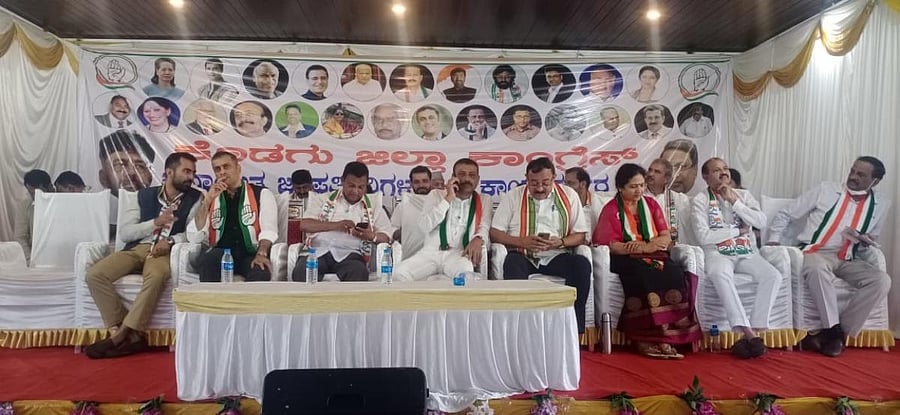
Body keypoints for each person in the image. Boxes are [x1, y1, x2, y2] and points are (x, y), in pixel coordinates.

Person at [767, 156, 891, 357]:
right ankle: (832, 329)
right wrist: (773, 239)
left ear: (875, 181)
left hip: (849, 256)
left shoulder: (881, 204)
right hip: (815, 251)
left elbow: (873, 235)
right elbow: (786, 214)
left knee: (882, 281)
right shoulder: (825, 189)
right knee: (817, 269)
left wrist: (864, 238)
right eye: (852, 171)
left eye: (861, 174)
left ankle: (838, 333)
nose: (853, 177)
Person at [83, 152, 202, 359]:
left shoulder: (195, 198)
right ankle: (128, 333)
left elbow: (193, 232)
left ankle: (119, 338)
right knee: (95, 274)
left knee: (156, 276)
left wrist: (171, 241)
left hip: (165, 252)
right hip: (137, 248)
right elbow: (126, 232)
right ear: (169, 172)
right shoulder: (142, 196)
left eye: (192, 172)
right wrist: (155, 222)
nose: (191, 177)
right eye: (186, 171)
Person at [593, 163, 702, 359]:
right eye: (633, 186)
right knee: (643, 274)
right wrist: (636, 248)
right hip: (625, 258)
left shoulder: (651, 205)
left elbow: (665, 236)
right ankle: (644, 338)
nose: (639, 190)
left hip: (652, 254)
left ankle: (667, 336)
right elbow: (607, 243)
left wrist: (648, 246)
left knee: (674, 271)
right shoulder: (611, 210)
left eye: (642, 185)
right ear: (620, 188)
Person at [489, 157, 591, 334]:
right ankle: (520, 328)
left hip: (557, 255)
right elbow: (495, 233)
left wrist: (561, 242)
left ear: (554, 178)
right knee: (511, 264)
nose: (540, 188)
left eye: (545, 182)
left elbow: (580, 235)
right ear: (526, 178)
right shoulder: (513, 196)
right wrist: (520, 241)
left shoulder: (569, 195)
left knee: (581, 265)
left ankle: (574, 327)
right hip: (522, 254)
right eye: (534, 183)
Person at [690, 157, 778, 359]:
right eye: (716, 170)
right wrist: (737, 230)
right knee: (719, 273)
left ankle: (754, 333)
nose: (723, 173)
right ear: (706, 177)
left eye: (725, 168)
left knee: (773, 275)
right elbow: (703, 236)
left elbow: (761, 222)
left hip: (746, 251)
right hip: (717, 252)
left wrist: (734, 202)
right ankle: (746, 331)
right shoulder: (701, 200)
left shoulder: (744, 195)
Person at [395, 158, 492, 281]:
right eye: (462, 174)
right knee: (399, 274)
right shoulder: (435, 195)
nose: (467, 179)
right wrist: (448, 199)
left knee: (466, 276)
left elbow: (485, 225)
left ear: (477, 179)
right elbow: (424, 226)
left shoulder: (484, 200)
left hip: (459, 254)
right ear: (453, 177)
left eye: (472, 175)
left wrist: (479, 238)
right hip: (430, 253)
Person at [295, 162, 391, 282]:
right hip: (317, 251)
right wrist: (336, 225)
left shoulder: (374, 205)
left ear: (366, 186)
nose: (355, 191)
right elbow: (305, 225)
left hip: (350, 254)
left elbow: (386, 237)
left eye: (361, 187)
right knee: (301, 271)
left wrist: (371, 236)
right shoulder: (322, 199)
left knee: (358, 272)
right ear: (342, 181)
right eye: (351, 186)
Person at [195, 151, 278, 282]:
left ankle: (244, 303)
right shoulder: (212, 197)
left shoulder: (261, 193)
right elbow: (197, 229)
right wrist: (207, 200)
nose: (222, 172)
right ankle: (210, 303)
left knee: (260, 270)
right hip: (221, 253)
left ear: (238, 168)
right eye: (217, 169)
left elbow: (269, 230)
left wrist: (261, 254)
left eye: (226, 166)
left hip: (249, 253)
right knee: (208, 260)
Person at [645, 158, 691, 244]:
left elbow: (687, 230)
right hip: (645, 246)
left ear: (666, 179)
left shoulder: (679, 200)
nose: (651, 174)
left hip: (671, 247)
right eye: (650, 170)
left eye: (657, 172)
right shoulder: (637, 196)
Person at [98, 130, 156, 197]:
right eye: (120, 165)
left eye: (139, 166)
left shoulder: (163, 206)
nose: (131, 172)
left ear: (150, 175)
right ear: (103, 178)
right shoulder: (90, 206)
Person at [14, 169, 53, 261]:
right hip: (34, 257)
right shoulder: (24, 206)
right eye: (31, 193)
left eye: (38, 193)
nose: (35, 197)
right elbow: (20, 237)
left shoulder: (60, 202)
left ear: (50, 187)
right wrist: (29, 260)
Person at [390, 166, 432, 242]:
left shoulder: (440, 203)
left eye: (425, 181)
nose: (421, 185)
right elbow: (392, 229)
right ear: (411, 184)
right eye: (416, 182)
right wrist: (405, 232)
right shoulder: (403, 206)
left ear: (430, 182)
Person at [564, 166, 608, 234]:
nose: (565, 187)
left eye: (570, 183)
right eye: (565, 183)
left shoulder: (600, 204)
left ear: (583, 184)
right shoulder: (563, 203)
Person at [287, 169, 313, 246]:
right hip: (292, 244)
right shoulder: (286, 201)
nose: (302, 191)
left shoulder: (321, 201)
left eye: (305, 187)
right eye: (298, 188)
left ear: (311, 185)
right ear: (293, 186)